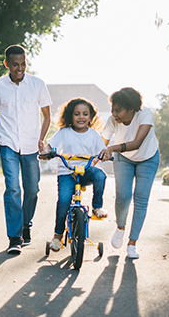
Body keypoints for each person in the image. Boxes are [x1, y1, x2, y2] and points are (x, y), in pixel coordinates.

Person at [0, 44, 52, 254]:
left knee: (32, 190)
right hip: (7, 144)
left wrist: (41, 139)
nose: (20, 68)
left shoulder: (37, 84)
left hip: (31, 145)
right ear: (7, 64)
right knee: (13, 189)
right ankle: (14, 238)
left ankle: (26, 225)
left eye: (23, 63)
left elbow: (47, 116)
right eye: (15, 65)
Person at [41, 98, 108, 252]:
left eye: (85, 114)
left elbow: (102, 151)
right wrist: (45, 152)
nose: (81, 117)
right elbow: (49, 147)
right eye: (77, 114)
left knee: (100, 176)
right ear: (70, 116)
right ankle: (57, 236)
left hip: (85, 171)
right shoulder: (64, 132)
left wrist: (106, 154)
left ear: (91, 117)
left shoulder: (94, 135)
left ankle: (97, 207)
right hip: (67, 173)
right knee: (64, 201)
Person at [100, 87, 160, 259]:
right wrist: (93, 158)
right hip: (124, 159)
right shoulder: (113, 120)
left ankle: (132, 244)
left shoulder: (145, 115)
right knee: (123, 196)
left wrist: (112, 148)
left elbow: (137, 143)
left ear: (132, 108)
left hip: (148, 157)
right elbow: (100, 143)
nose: (114, 113)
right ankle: (120, 227)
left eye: (118, 110)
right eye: (113, 109)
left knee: (140, 198)